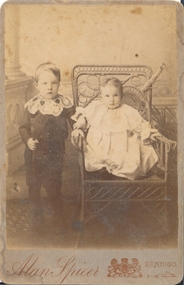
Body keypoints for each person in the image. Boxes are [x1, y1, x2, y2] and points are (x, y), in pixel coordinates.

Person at [19, 62, 75, 232]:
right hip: (34, 154)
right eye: (44, 83)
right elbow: (23, 127)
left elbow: (75, 120)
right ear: (37, 85)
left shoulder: (64, 104)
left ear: (59, 83)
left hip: (55, 153)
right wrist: (28, 140)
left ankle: (58, 214)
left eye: (54, 83)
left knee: (54, 184)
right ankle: (37, 214)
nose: (49, 87)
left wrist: (79, 127)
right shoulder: (32, 105)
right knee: (34, 184)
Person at [71, 77, 160, 180]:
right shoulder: (96, 107)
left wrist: (147, 132)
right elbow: (85, 115)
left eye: (115, 95)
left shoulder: (127, 110)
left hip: (121, 145)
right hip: (100, 143)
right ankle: (103, 170)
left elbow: (138, 124)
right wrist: (81, 122)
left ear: (121, 96)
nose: (111, 99)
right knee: (97, 156)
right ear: (101, 97)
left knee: (127, 157)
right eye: (107, 96)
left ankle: (117, 174)